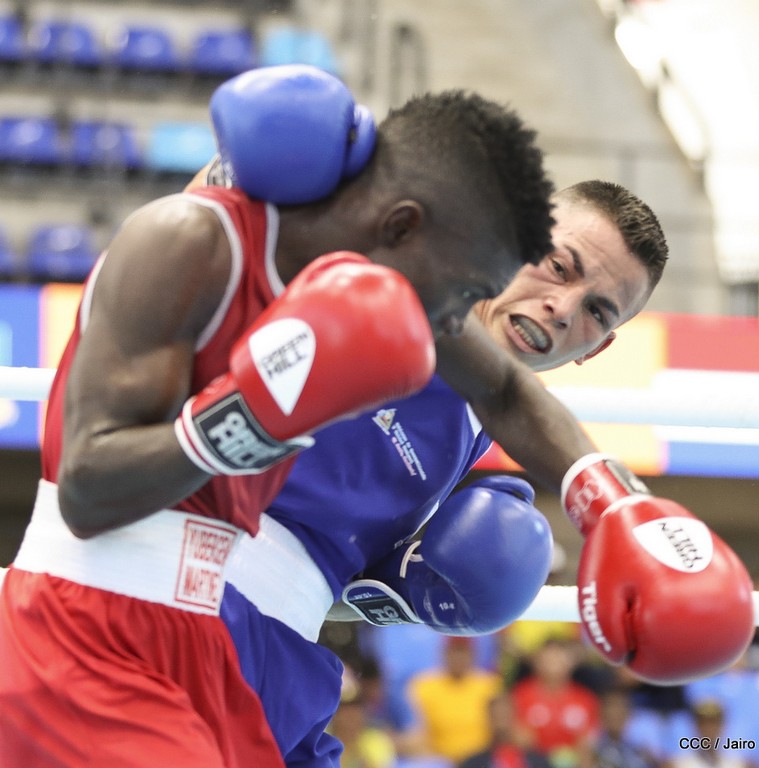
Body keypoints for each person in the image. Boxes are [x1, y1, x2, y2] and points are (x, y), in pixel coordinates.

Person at [0, 65, 557, 767]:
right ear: (402, 226)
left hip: (206, 635)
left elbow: (505, 389)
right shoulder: (191, 238)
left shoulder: (371, 335)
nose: (456, 321)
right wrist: (257, 417)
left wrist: (613, 502)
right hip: (89, 627)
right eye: (465, 292)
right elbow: (87, 489)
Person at [218, 177, 671, 768]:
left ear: (597, 348)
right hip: (183, 605)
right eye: (559, 267)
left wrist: (405, 589)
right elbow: (206, 229)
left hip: (280, 661)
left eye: (596, 311)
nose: (562, 309)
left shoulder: (477, 428)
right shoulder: (391, 271)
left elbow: (322, 567)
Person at [404, 636, 505, 765]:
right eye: (454, 651)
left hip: (481, 759)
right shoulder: (424, 686)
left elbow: (500, 728)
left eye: (463, 652)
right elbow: (417, 730)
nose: (458, 658)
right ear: (444, 653)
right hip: (439, 760)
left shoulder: (489, 685)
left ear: (473, 654)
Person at [509, 638, 601, 766]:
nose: (553, 663)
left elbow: (587, 743)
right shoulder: (520, 695)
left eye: (558, 658)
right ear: (537, 662)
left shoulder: (585, 699)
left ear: (570, 663)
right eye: (548, 659)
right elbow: (521, 740)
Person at [458, 691, 548, 768]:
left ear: (515, 717)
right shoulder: (474, 763)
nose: (501, 724)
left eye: (505, 716)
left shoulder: (536, 761)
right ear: (488, 720)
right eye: (497, 717)